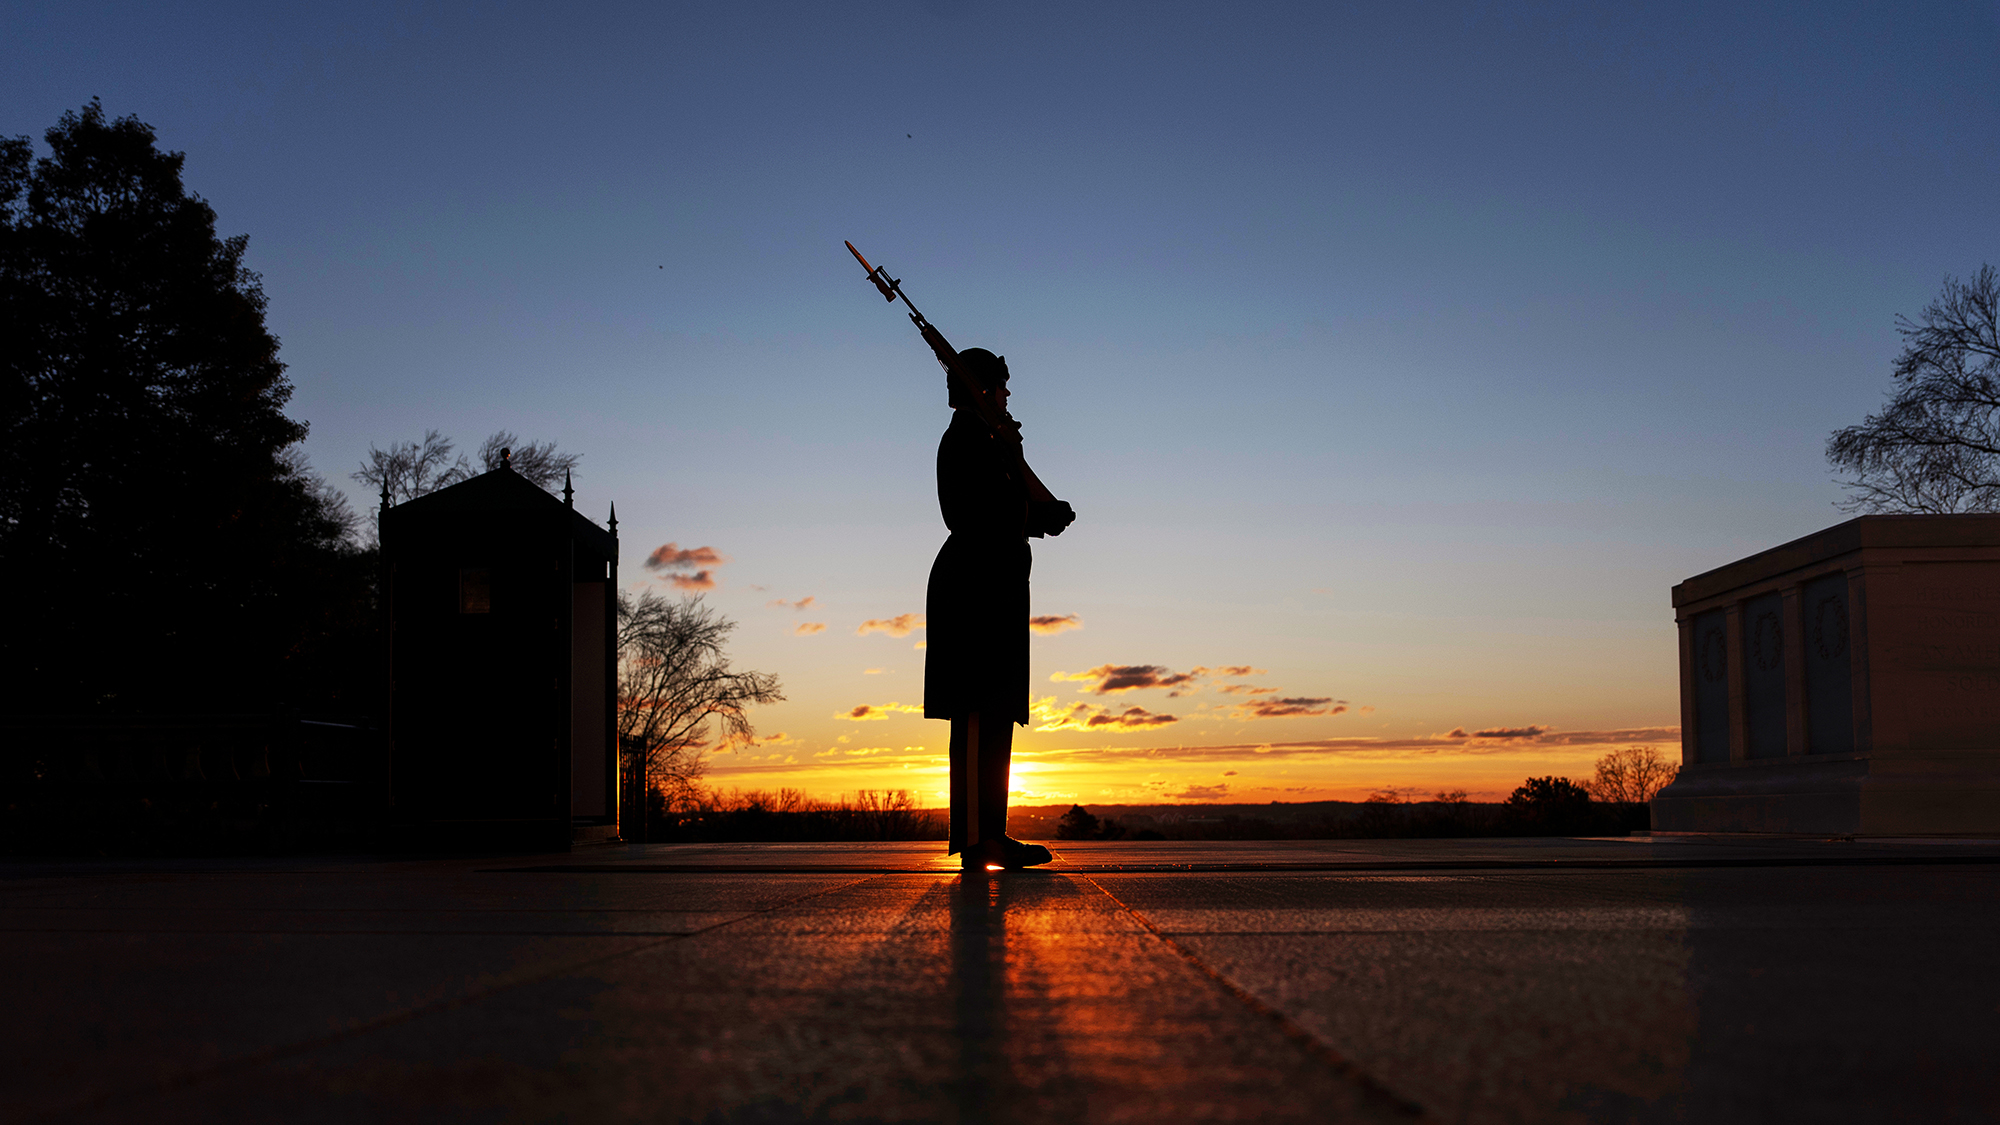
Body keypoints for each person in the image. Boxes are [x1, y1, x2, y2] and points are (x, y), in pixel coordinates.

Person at [923, 348, 1075, 870]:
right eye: (1000, 387)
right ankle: (973, 839)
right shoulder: (965, 439)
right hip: (972, 585)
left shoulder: (988, 441)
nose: (1008, 397)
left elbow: (1002, 508)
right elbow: (969, 512)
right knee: (973, 713)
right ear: (980, 390)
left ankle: (992, 834)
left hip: (998, 584)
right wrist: (1032, 511)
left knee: (996, 714)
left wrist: (1040, 514)